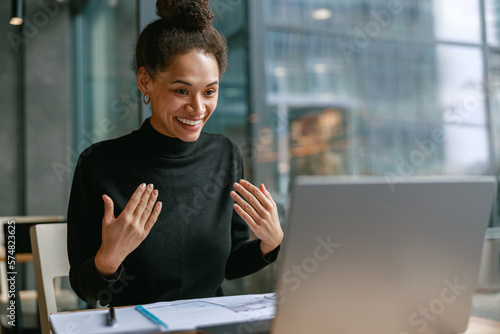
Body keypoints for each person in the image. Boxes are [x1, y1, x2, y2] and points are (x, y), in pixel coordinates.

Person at [67, 0, 283, 307]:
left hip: (207, 324)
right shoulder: (99, 164)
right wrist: (108, 259)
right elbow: (87, 290)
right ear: (146, 81)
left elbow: (230, 265)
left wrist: (269, 244)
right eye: (181, 91)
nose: (198, 108)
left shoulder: (226, 154)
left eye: (209, 91)